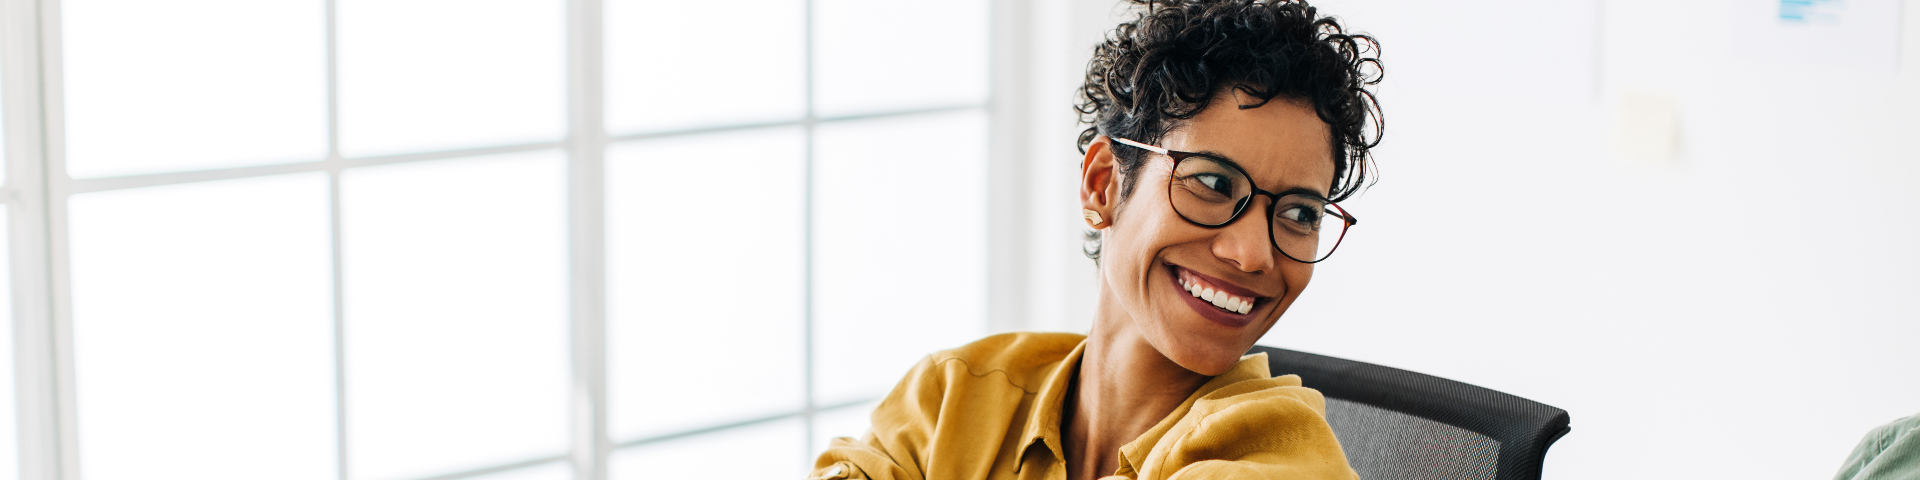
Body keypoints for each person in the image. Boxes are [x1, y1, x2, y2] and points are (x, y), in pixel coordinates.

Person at [809, 0, 1381, 478]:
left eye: (1300, 215)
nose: (1252, 253)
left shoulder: (1280, 460)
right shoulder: (953, 399)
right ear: (1104, 184)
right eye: (1211, 182)